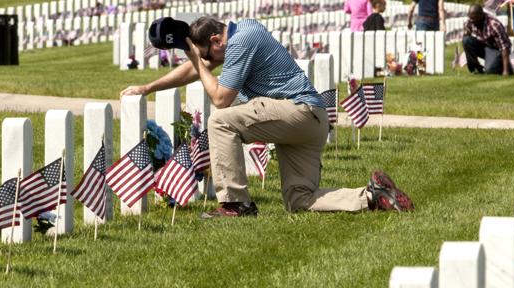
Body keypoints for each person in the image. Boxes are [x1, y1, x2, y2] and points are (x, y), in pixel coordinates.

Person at [122, 17, 413, 218]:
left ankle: (235, 205)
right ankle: (373, 195)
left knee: (219, 121)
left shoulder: (242, 42)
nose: (209, 61)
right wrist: (149, 87)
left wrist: (198, 60)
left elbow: (220, 99)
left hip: (297, 111)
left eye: (206, 53)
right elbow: (199, 67)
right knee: (299, 200)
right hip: (309, 120)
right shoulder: (239, 34)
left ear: (215, 40)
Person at [462, 4, 513, 76]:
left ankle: (507, 68)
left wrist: (506, 71)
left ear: (481, 15)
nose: (471, 21)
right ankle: (476, 69)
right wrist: (466, 33)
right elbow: (467, 43)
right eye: (470, 18)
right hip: (484, 46)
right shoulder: (470, 22)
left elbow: (505, 47)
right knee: (466, 40)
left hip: (497, 50)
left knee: (490, 71)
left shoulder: (494, 24)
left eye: (474, 18)